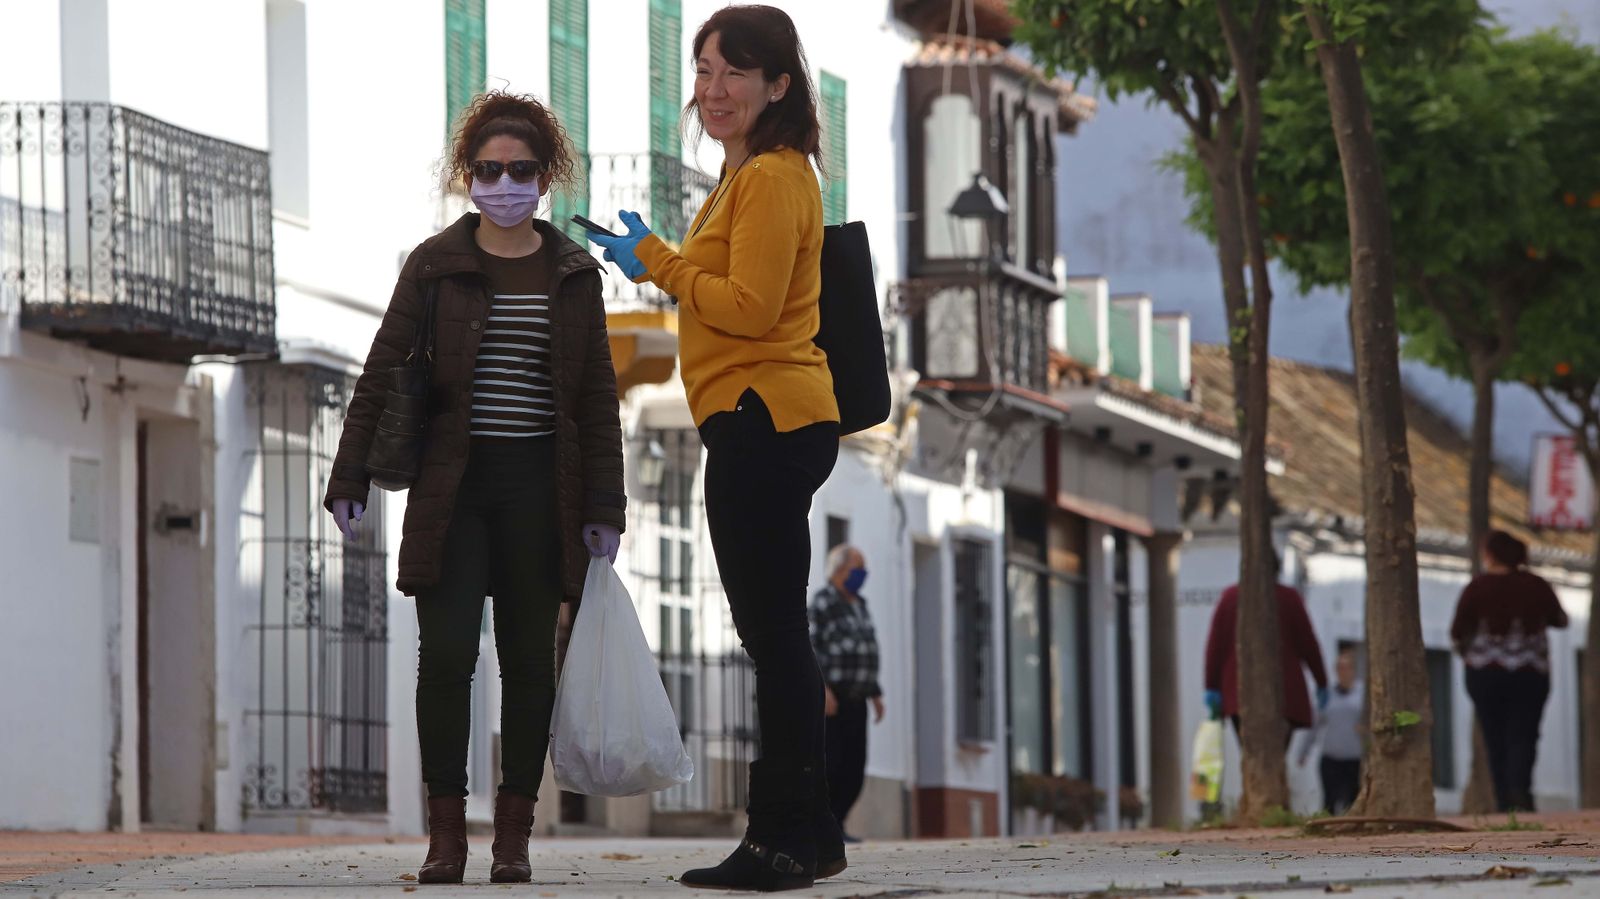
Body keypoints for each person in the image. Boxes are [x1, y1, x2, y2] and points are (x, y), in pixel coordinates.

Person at [323, 91, 625, 885]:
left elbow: (596, 398)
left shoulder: (573, 272)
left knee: (530, 661)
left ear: (545, 175)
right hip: (452, 486)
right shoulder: (433, 264)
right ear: (467, 176)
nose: (503, 183)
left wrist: (605, 507)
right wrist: (348, 476)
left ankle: (515, 837)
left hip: (539, 488)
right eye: (488, 169)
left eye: (520, 169)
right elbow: (382, 371)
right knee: (446, 654)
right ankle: (446, 836)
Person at [586, 5, 840, 891]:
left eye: (734, 71)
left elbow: (747, 306)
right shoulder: (746, 179)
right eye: (702, 71)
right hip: (765, 416)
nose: (713, 89)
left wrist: (655, 257)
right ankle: (810, 835)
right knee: (780, 637)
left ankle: (777, 839)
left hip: (764, 416)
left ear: (778, 84)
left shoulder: (771, 177)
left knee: (773, 639)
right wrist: (662, 259)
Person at [1451, 530, 1569, 812]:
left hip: (1486, 674)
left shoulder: (1477, 587)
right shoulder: (1537, 586)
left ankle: (1503, 800)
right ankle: (1522, 793)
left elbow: (1458, 631)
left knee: (1494, 735)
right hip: (1531, 672)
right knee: (1525, 734)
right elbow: (1560, 619)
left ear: (1490, 554)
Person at [1202, 553, 1329, 749]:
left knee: (1250, 752)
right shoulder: (1289, 598)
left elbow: (1215, 647)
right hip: (1285, 695)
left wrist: (1212, 686)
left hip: (1239, 693)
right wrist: (1321, 681)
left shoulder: (1230, 597)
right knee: (1277, 752)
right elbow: (1309, 645)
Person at [810, 544, 885, 842]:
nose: (862, 574)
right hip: (834, 698)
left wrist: (876, 693)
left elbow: (867, 649)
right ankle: (825, 827)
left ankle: (838, 823)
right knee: (834, 763)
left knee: (855, 766)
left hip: (859, 696)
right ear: (840, 570)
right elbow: (813, 647)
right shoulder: (823, 602)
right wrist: (822, 688)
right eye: (858, 568)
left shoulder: (860, 604)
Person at [1298, 647, 1364, 815]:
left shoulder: (1362, 694)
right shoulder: (1327, 695)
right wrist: (1304, 751)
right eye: (1339, 668)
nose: (1343, 672)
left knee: (1352, 800)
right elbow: (1315, 724)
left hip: (1354, 759)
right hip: (1331, 758)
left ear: (1353, 670)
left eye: (1346, 667)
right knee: (1330, 800)